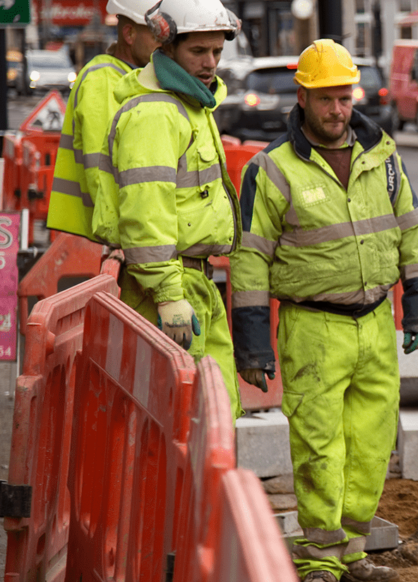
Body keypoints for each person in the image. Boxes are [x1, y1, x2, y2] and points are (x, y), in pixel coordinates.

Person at [229, 39, 418, 582]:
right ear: (302, 98)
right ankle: (319, 560)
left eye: (344, 98)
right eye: (325, 99)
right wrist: (252, 344)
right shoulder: (272, 169)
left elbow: (412, 230)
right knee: (320, 448)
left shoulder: (383, 155)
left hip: (375, 322)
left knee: (371, 445)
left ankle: (353, 551)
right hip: (313, 328)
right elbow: (249, 260)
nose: (337, 109)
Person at [102, 0, 244, 419]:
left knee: (213, 413)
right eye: (197, 51)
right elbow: (146, 214)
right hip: (171, 286)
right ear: (166, 46)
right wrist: (168, 295)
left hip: (194, 282)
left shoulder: (188, 105)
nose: (210, 63)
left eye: (216, 51)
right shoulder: (156, 113)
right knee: (184, 419)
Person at [46, 0, 160, 240]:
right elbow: (101, 173)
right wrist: (124, 239)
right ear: (129, 34)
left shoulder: (133, 77)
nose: (165, 45)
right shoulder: (104, 80)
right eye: (157, 36)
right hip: (104, 239)